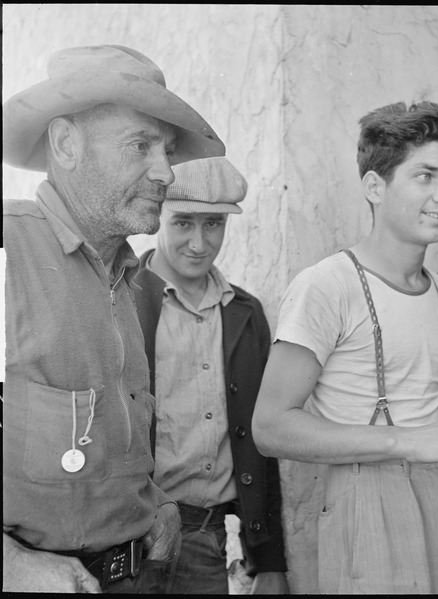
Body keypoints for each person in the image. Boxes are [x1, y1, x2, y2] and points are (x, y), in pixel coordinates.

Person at [252, 101, 438, 594]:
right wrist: (413, 442)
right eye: (425, 176)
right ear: (375, 186)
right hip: (369, 502)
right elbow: (270, 428)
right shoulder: (327, 286)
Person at [2, 44, 225, 593]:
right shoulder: (8, 257)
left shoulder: (127, 279)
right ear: (66, 144)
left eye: (168, 151)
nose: (166, 172)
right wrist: (9, 564)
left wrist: (155, 503)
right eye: (141, 145)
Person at [133, 156, 289, 594]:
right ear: (157, 217)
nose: (200, 243)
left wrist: (269, 560)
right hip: (128, 538)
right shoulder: (122, 300)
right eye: (183, 223)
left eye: (214, 224)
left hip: (205, 537)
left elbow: (263, 438)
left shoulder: (245, 313)